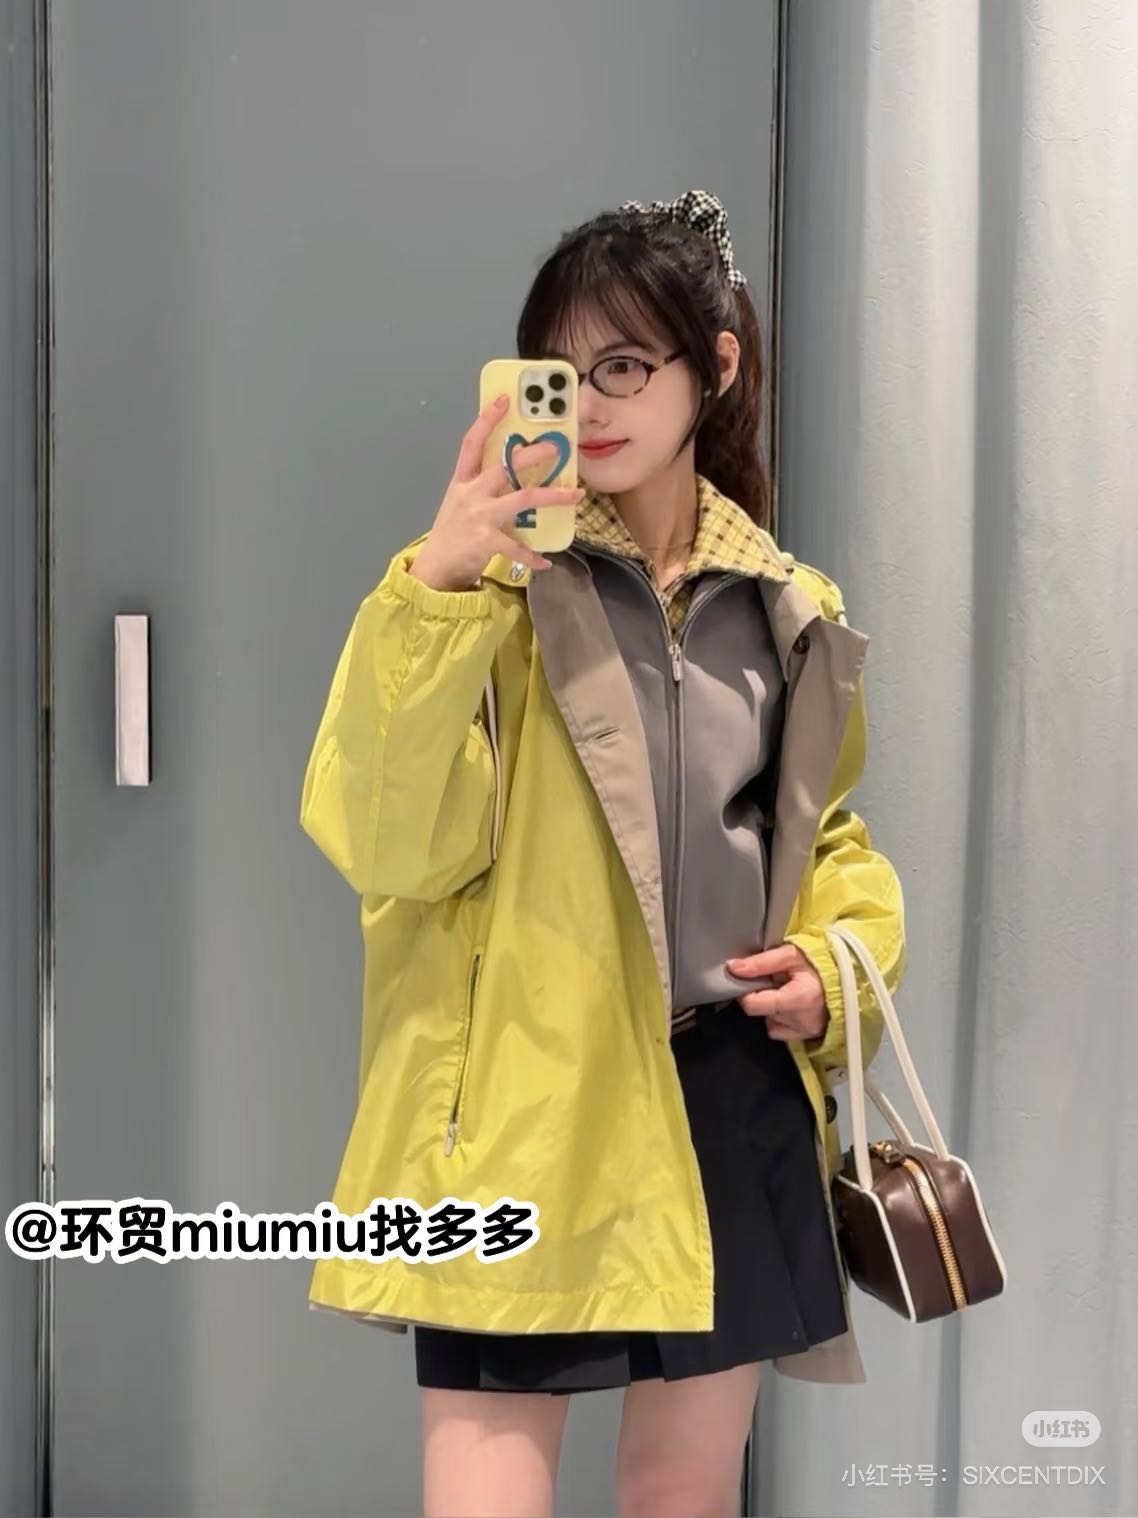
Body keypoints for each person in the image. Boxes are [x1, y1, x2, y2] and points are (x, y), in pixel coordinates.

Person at [299, 190, 907, 1518]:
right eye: (559, 374)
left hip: (725, 1096)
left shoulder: (788, 606)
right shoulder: (483, 589)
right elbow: (386, 841)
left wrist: (833, 962)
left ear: (716, 367)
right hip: (526, 1106)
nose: (589, 405)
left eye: (625, 366)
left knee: (681, 1496)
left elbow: (825, 835)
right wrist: (439, 587)